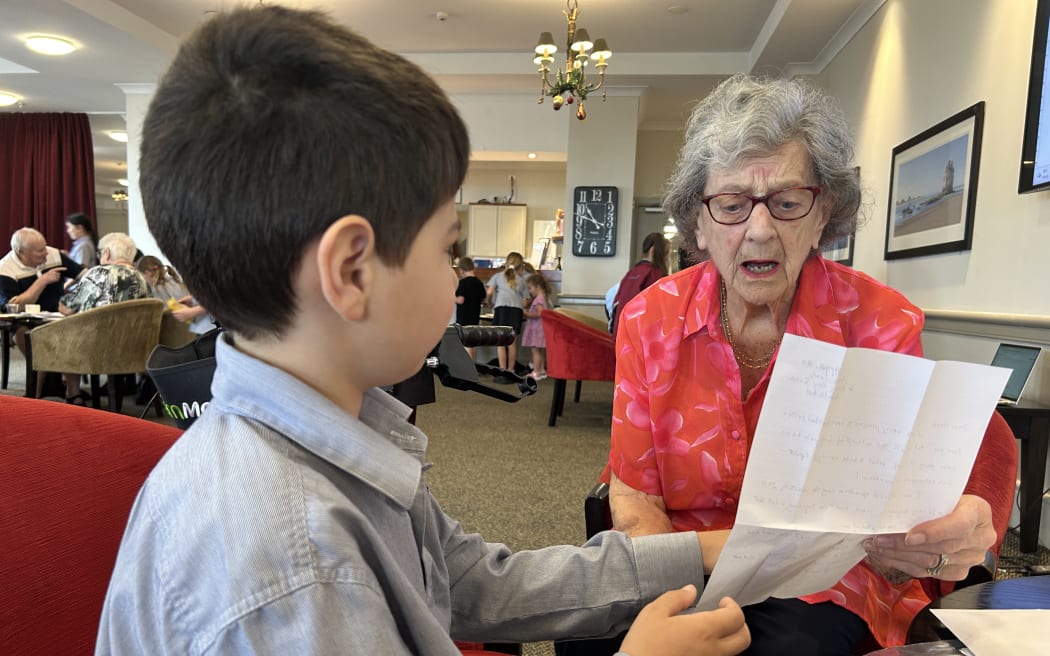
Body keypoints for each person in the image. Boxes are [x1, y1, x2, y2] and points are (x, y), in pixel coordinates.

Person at [95, 7, 751, 656]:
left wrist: (691, 554)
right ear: (352, 271)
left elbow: (470, 583)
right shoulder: (294, 571)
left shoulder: (335, 431)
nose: (455, 275)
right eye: (448, 247)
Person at [606, 74, 1002, 654]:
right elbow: (636, 494)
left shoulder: (880, 323)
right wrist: (677, 596)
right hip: (685, 559)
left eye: (788, 203)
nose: (761, 229)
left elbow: (911, 505)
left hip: (825, 583)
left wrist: (935, 538)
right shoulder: (649, 321)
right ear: (698, 225)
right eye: (733, 205)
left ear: (823, 217)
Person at [58, 232, 150, 404]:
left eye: (100, 252)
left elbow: (67, 307)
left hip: (99, 349)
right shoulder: (142, 278)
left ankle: (73, 393)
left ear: (106, 253)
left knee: (67, 333)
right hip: (136, 347)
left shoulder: (98, 273)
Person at [0, 227, 83, 353]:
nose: (46, 253)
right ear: (20, 252)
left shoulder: (53, 254)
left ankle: (67, 368)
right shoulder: (5, 269)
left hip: (59, 314)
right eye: (40, 251)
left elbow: (83, 274)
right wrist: (42, 281)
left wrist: (76, 298)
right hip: (26, 321)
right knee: (21, 331)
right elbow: (14, 306)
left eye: (45, 247)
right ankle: (38, 370)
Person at [610, 232, 669, 338]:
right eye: (665, 253)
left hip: (621, 335)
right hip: (641, 338)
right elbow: (659, 311)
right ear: (653, 251)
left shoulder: (630, 273)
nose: (666, 258)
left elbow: (615, 305)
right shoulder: (655, 275)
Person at [136, 255, 215, 334]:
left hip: (199, 329)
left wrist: (193, 311)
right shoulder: (172, 279)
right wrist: (192, 299)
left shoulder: (157, 288)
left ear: (147, 273)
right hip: (203, 325)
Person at [485, 251, 527, 382]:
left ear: (507, 262)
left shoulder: (497, 276)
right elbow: (525, 301)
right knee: (512, 343)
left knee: (501, 343)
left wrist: (490, 302)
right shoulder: (522, 280)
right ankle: (511, 372)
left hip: (501, 309)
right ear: (521, 266)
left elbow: (490, 292)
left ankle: (502, 372)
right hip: (516, 311)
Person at [454, 256, 486, 360]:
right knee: (472, 345)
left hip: (464, 318)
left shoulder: (463, 283)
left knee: (466, 345)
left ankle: (469, 371)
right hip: (474, 317)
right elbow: (483, 300)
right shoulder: (479, 283)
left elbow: (460, 300)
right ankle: (473, 367)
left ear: (461, 270)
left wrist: (449, 296)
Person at [522, 273, 552, 381]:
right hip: (540, 329)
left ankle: (536, 372)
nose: (529, 291)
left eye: (530, 288)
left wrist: (526, 314)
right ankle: (542, 370)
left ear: (537, 287)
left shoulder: (538, 299)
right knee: (540, 351)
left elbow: (539, 313)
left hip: (536, 329)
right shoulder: (543, 298)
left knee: (535, 351)